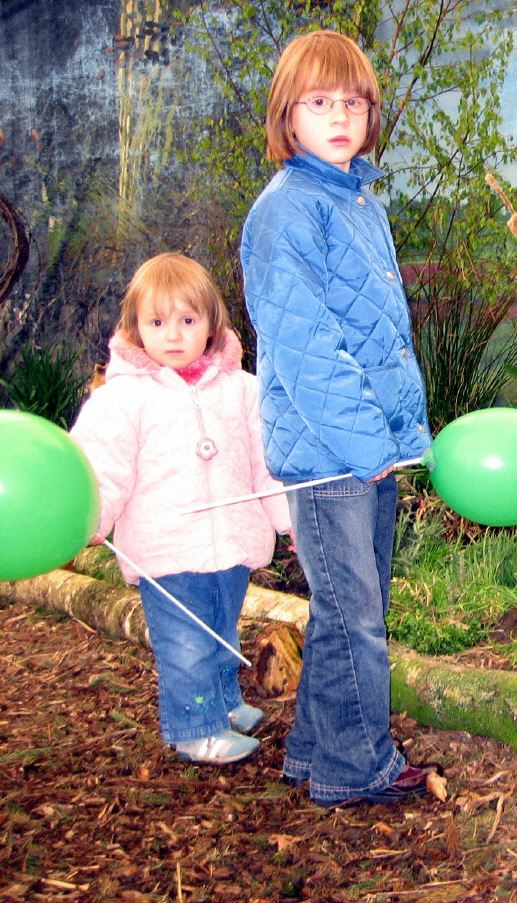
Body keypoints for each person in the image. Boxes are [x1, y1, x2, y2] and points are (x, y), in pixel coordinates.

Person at [240, 30, 437, 808]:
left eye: (353, 102)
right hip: (331, 453)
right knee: (356, 616)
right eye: (320, 101)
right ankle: (358, 765)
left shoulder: (356, 200)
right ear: (287, 114)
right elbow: (306, 349)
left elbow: (378, 331)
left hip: (367, 445)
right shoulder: (286, 212)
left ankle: (317, 749)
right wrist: (364, 441)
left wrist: (390, 433)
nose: (339, 116)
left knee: (349, 608)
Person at [71, 252, 291, 765]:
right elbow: (101, 468)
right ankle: (196, 729)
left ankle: (223, 702)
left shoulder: (242, 390)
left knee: (220, 630)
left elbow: (267, 464)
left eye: (187, 321)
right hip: (166, 549)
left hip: (232, 542)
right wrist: (89, 519)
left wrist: (289, 520)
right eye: (157, 322)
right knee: (186, 645)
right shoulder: (121, 400)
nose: (172, 335)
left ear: (211, 324)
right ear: (135, 327)